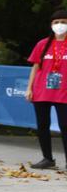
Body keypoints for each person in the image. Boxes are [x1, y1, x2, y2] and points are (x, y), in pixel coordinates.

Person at [25, 10, 67, 169]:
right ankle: (47, 158)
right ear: (51, 25)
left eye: (63, 21)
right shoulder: (43, 44)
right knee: (42, 125)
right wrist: (29, 88)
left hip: (64, 92)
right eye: (56, 22)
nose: (60, 25)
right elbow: (35, 68)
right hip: (41, 91)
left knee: (65, 126)